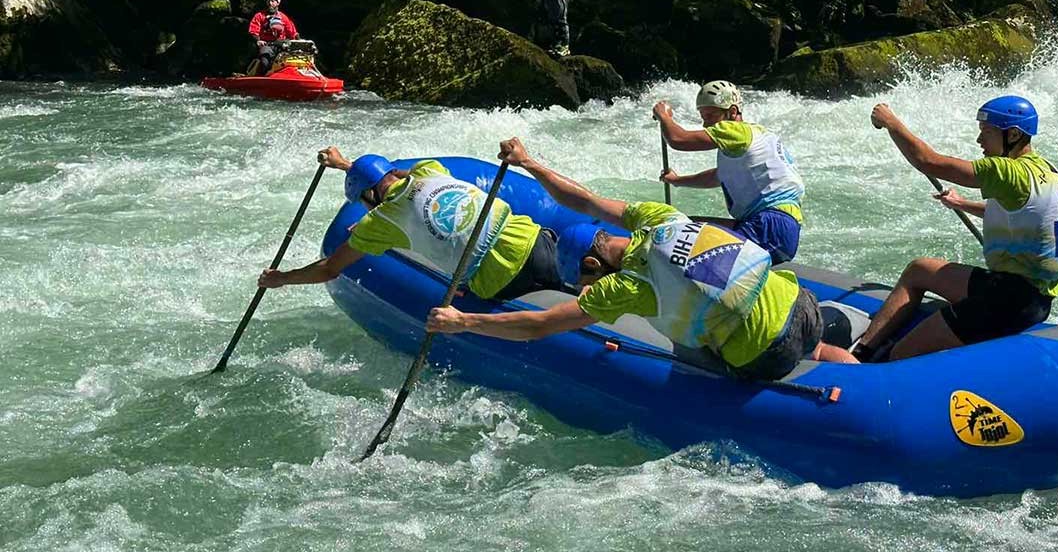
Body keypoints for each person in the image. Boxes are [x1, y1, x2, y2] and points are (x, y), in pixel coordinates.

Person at [425, 138, 857, 379]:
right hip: (800, 306)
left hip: (765, 352)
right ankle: (860, 372)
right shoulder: (658, 217)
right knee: (816, 347)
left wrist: (463, 322)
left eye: (582, 281)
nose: (585, 289)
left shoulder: (625, 287)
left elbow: (539, 326)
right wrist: (530, 163)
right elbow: (589, 201)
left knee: (686, 348)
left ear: (593, 266)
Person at [851, 96, 1058, 362]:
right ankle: (863, 350)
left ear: (1014, 134)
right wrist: (961, 203)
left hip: (1007, 302)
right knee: (919, 270)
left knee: (902, 355)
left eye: (986, 133)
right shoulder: (1046, 172)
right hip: (1029, 295)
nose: (979, 141)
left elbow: (928, 161)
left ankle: (875, 372)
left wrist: (891, 123)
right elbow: (1021, 218)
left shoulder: (1008, 172)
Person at [258, 147, 562, 301]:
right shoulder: (430, 170)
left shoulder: (380, 223)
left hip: (500, 281)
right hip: (535, 240)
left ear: (368, 197)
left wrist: (281, 278)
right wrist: (346, 165)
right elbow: (391, 176)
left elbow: (329, 268)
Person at [653, 81, 806, 265]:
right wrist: (677, 180)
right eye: (703, 116)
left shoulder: (736, 130)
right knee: (685, 225)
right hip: (780, 229)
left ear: (732, 112)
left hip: (769, 224)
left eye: (710, 116)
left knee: (679, 236)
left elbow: (678, 139)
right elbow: (717, 176)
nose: (705, 123)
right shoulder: (756, 138)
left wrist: (664, 116)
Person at [247, 0, 299, 75]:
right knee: (265, 60)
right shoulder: (259, 16)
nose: (270, 3)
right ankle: (263, 78)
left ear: (278, 3)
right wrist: (258, 40)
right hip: (266, 44)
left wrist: (298, 40)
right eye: (268, 1)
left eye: (272, 1)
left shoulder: (283, 17)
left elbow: (292, 32)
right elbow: (253, 30)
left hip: (281, 44)